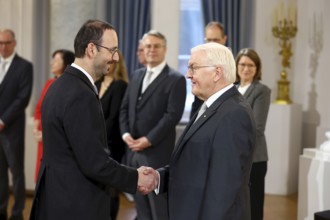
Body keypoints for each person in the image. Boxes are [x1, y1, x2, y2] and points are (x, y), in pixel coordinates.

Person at [29, 19, 157, 220]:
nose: (115, 58)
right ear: (91, 49)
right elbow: (94, 163)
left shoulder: (59, 84)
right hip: (75, 204)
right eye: (112, 50)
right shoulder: (81, 94)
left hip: (56, 198)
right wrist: (135, 177)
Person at [155, 43, 256, 220]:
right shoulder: (211, 105)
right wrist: (159, 177)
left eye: (193, 67)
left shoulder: (234, 114)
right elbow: (196, 165)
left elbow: (223, 190)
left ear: (217, 73)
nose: (188, 75)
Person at [119, 30, 186, 220]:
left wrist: (148, 140)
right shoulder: (136, 75)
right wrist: (126, 136)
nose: (152, 50)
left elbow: (172, 116)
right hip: (133, 152)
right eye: (148, 46)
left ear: (164, 49)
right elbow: (124, 109)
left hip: (157, 153)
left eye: (157, 46)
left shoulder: (175, 79)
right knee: (141, 208)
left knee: (159, 209)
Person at [0, 29, 33, 220]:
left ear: (14, 43)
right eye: (0, 43)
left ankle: (17, 212)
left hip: (12, 129)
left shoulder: (25, 66)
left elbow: (23, 98)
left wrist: (3, 120)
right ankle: (1, 208)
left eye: (6, 43)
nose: (3, 47)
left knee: (17, 172)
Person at [235, 48, 271, 220]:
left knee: (254, 204)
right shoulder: (232, 89)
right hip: (234, 158)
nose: (246, 69)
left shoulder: (261, 90)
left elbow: (257, 128)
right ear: (236, 66)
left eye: (251, 65)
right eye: (242, 64)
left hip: (254, 158)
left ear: (257, 68)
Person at [95, 50, 128, 220]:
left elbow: (113, 117)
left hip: (112, 143)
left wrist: (94, 134)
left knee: (111, 188)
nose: (108, 65)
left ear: (117, 63)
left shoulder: (120, 85)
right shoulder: (97, 83)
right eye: (106, 61)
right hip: (97, 142)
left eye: (112, 62)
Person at [33, 49, 75, 183]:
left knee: (54, 180)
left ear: (66, 63)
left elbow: (63, 115)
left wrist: (46, 133)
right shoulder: (49, 83)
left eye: (56, 60)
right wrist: (36, 129)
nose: (52, 63)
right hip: (42, 139)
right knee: (41, 178)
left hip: (55, 138)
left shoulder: (70, 85)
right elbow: (39, 108)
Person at [190, 21, 227, 119]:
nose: (212, 44)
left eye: (216, 40)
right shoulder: (200, 65)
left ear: (224, 39)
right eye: (209, 40)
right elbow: (197, 101)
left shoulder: (235, 66)